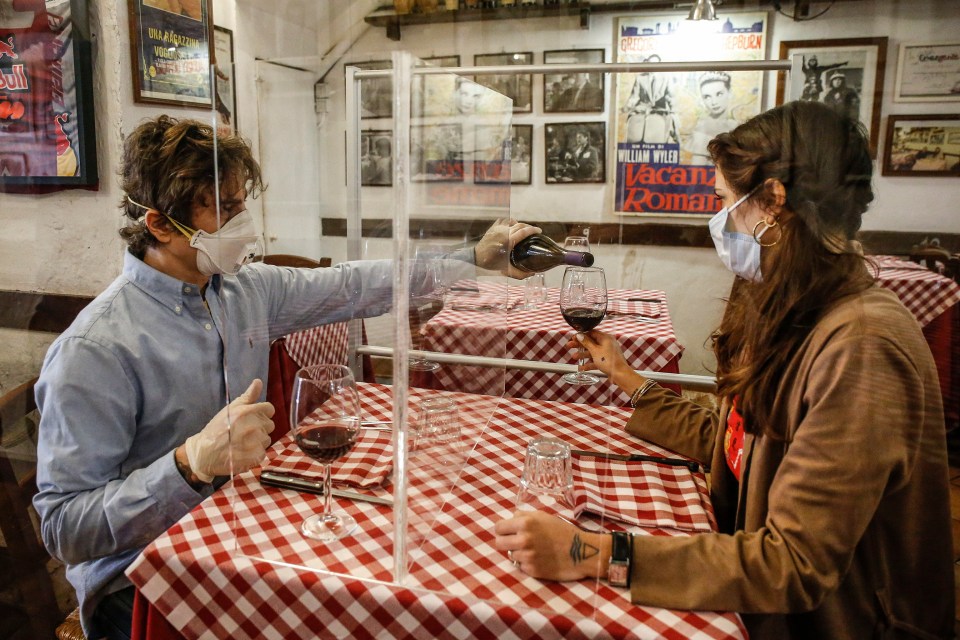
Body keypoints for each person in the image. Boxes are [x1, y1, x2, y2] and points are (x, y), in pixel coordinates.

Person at [32, 115, 538, 640]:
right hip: (145, 577)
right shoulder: (95, 350)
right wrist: (188, 465)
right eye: (224, 208)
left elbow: (351, 286)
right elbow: (63, 528)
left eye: (241, 201)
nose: (243, 221)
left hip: (237, 530)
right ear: (160, 224)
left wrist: (473, 258)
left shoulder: (240, 290)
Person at [494, 101, 954, 639]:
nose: (716, 220)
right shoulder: (797, 303)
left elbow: (794, 565)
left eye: (723, 201)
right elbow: (741, 443)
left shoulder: (863, 345)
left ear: (773, 203)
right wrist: (629, 380)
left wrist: (594, 551)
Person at [621, 55, 678, 144]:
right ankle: (631, 142)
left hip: (660, 109)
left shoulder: (666, 78)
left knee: (672, 121)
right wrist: (626, 108)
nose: (653, 66)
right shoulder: (640, 78)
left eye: (655, 64)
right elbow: (634, 96)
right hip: (643, 109)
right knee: (631, 118)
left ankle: (676, 140)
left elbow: (670, 96)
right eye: (651, 63)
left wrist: (673, 109)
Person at [688, 71, 739, 164]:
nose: (713, 102)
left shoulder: (736, 125)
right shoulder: (701, 130)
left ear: (729, 92)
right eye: (707, 96)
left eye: (719, 94)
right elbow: (697, 171)